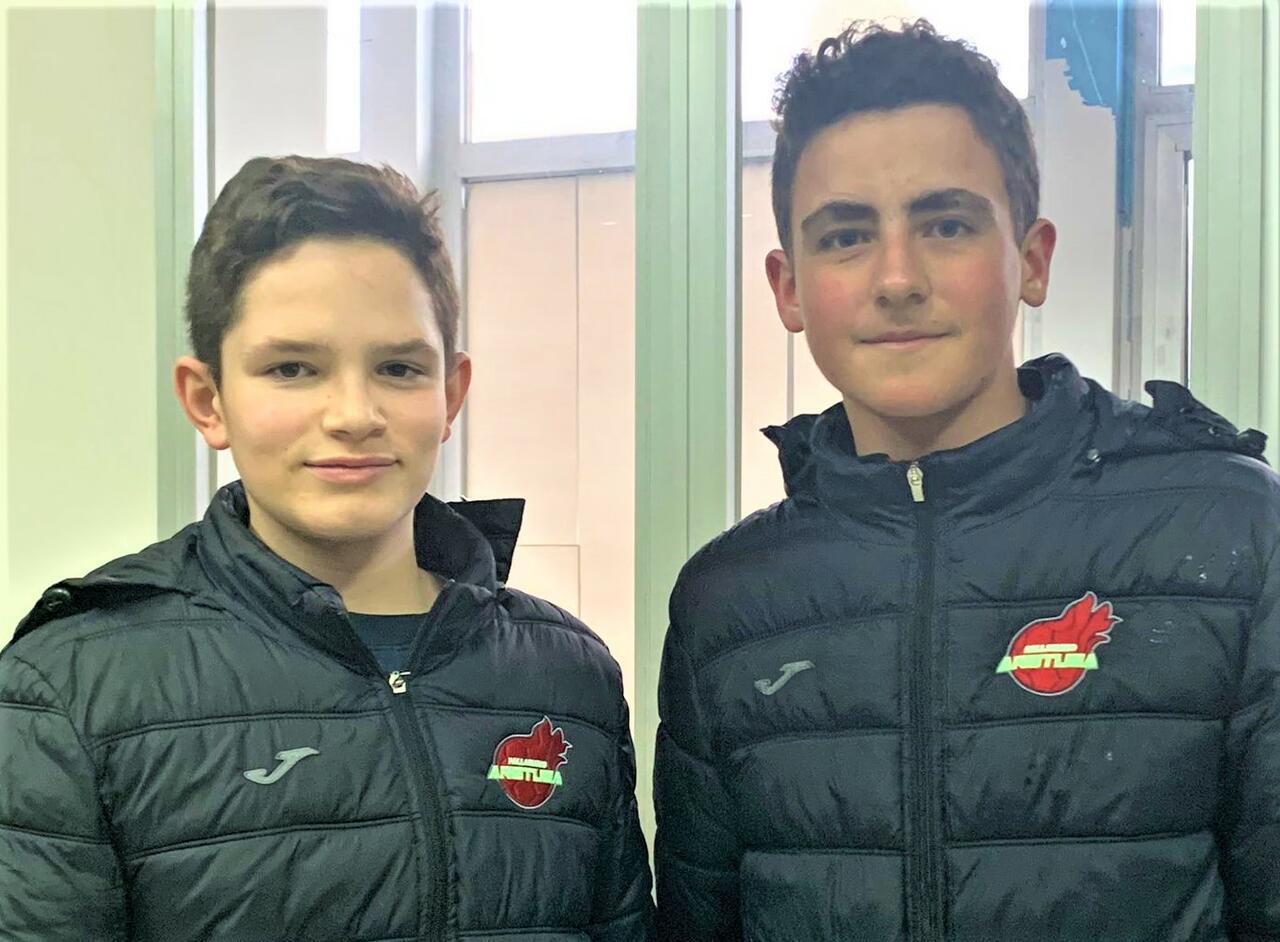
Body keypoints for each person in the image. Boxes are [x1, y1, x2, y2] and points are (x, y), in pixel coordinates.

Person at [654, 20, 1278, 941]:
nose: (897, 278)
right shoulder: (728, 602)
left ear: (1032, 259)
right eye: (846, 236)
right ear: (788, 288)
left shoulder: (1228, 534)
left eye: (945, 225)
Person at [0, 155, 654, 941]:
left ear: (450, 395)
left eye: (398, 368)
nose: (353, 414)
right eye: (292, 368)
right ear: (208, 401)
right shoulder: (73, 688)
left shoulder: (567, 675)